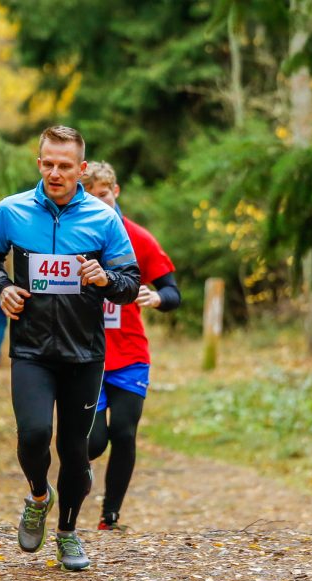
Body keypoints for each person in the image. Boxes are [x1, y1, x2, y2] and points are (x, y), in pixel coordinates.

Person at [0, 126, 140, 571]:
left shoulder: (104, 220)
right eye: (47, 163)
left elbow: (130, 284)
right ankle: (37, 496)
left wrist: (105, 279)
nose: (54, 172)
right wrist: (1, 285)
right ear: (39, 162)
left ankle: (68, 532)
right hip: (30, 349)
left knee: (74, 449)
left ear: (81, 169)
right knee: (31, 434)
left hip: (84, 354)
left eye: (64, 165)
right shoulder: (11, 210)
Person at [82, 161, 181, 531]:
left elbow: (173, 292)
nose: (99, 203)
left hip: (130, 355)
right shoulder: (75, 237)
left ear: (116, 192)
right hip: (87, 355)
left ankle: (110, 515)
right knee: (92, 443)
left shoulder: (137, 237)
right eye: (90, 197)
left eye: (104, 195)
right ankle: (79, 479)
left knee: (124, 432)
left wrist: (155, 298)